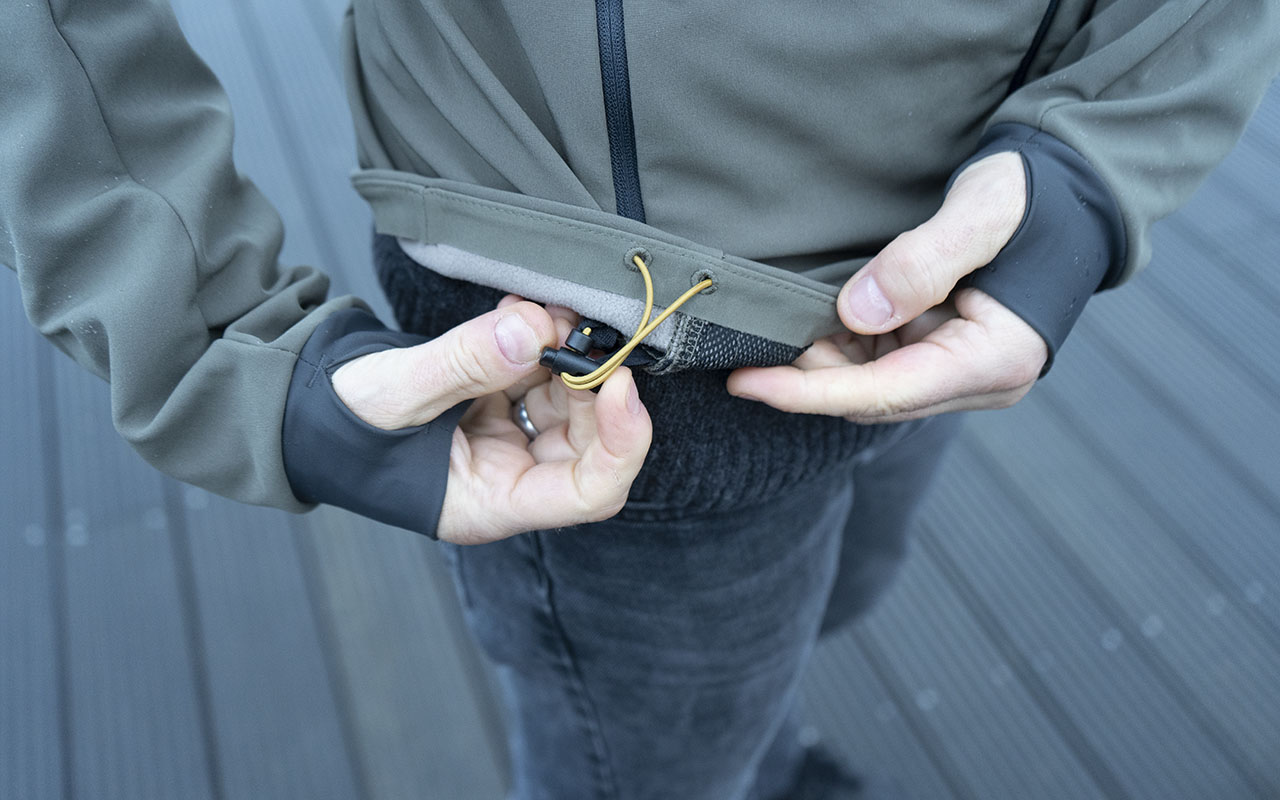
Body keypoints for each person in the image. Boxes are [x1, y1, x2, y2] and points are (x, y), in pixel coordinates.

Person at [3, 1, 1277, 798]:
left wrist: (1088, 157)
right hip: (594, 394)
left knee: (824, 604)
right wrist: (220, 343)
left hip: (969, 252)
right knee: (649, 761)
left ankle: (759, 764)